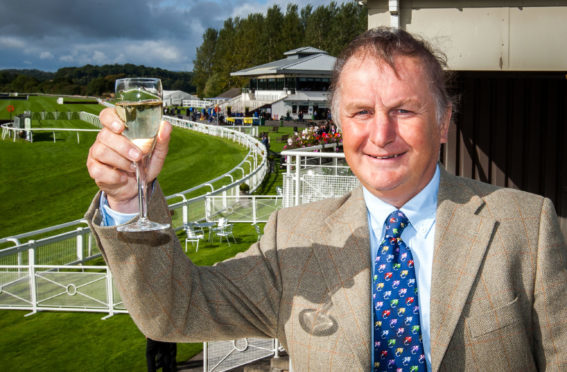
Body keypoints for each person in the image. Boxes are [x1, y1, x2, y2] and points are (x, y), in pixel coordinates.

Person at [85, 27, 567, 371]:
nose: (381, 133)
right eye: (361, 112)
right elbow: (173, 310)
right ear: (340, 128)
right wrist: (130, 202)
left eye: (404, 110)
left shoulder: (527, 224)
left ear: (442, 124)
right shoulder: (294, 234)